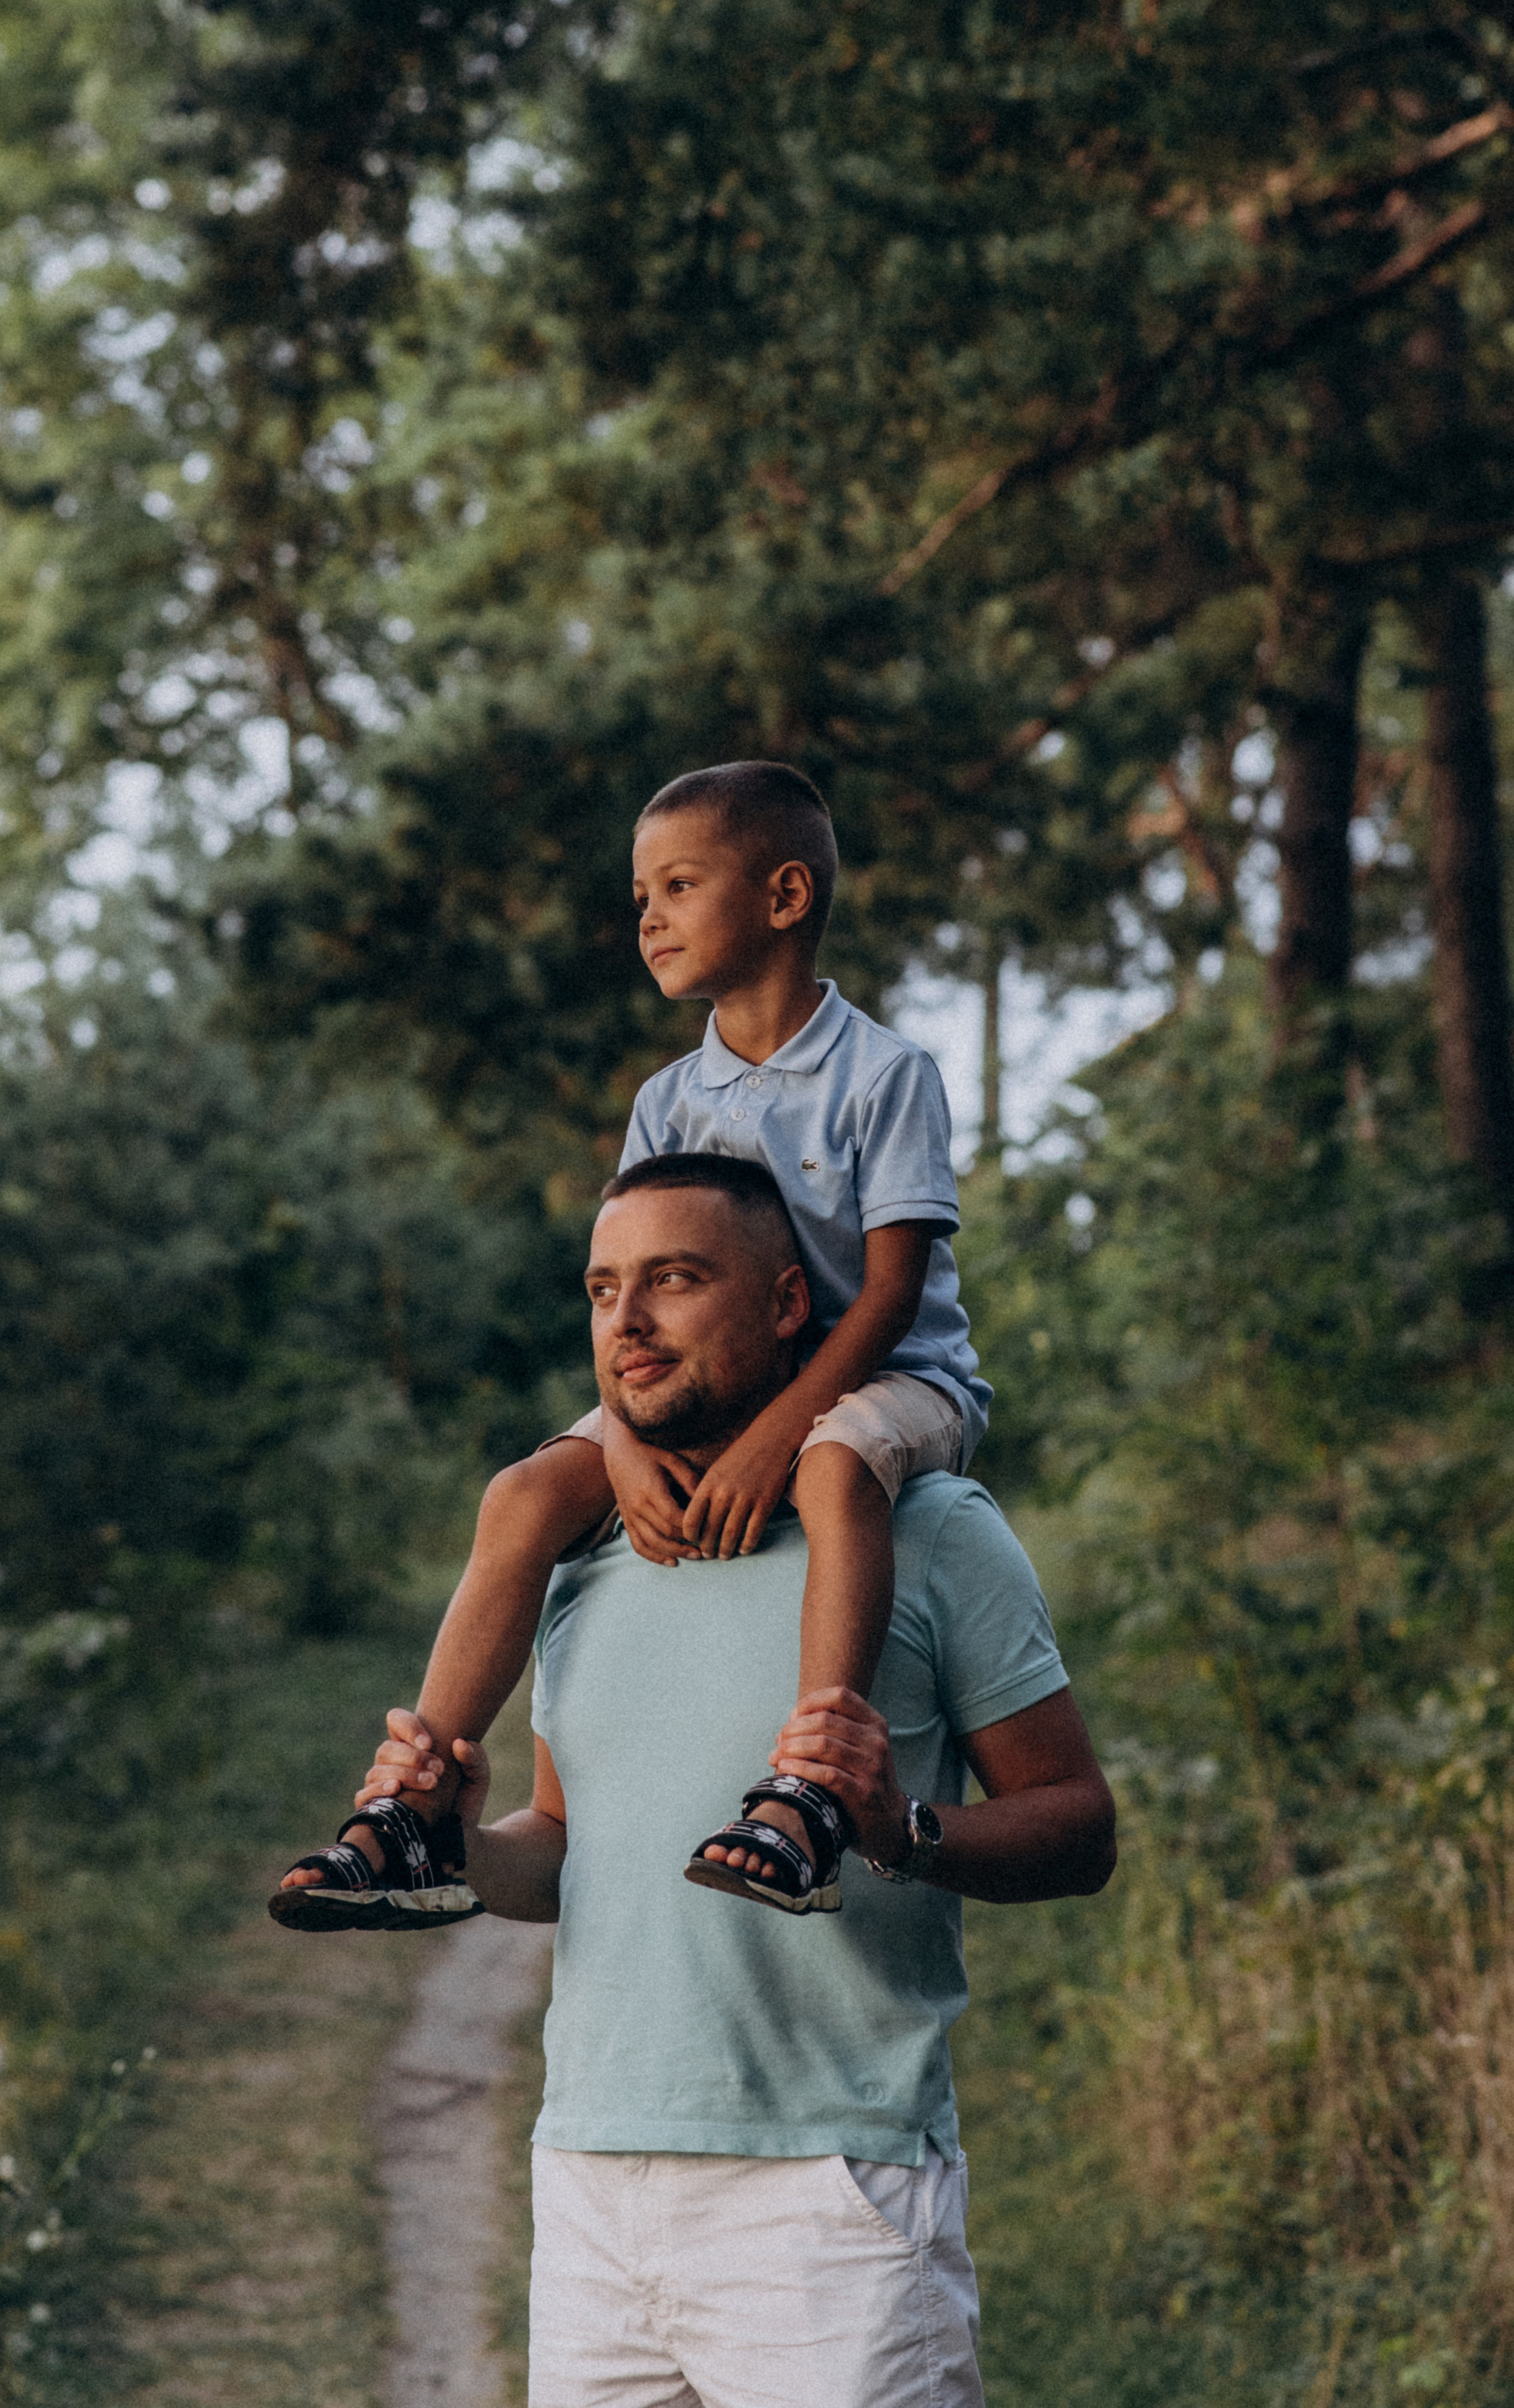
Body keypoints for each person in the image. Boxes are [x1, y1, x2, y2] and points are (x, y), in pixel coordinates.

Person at [354, 1154, 1115, 2408]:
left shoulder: (926, 1529)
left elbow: (1081, 1830)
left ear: (782, 1308)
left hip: (831, 2196)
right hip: (594, 2183)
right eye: (603, 1290)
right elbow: (561, 1843)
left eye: (675, 1280)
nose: (628, 1323)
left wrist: (902, 1828)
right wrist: (459, 1844)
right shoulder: (584, 1554)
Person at [273, 761, 991, 1925]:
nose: (646, 916)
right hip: (711, 1388)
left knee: (837, 1467)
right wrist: (615, 1448)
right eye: (640, 892)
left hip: (891, 1379)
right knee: (520, 1493)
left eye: (678, 884)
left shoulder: (883, 1074)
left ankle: (806, 1792)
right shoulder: (668, 1099)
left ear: (784, 894)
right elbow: (629, 1298)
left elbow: (893, 1295)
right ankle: (413, 1811)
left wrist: (774, 1440)